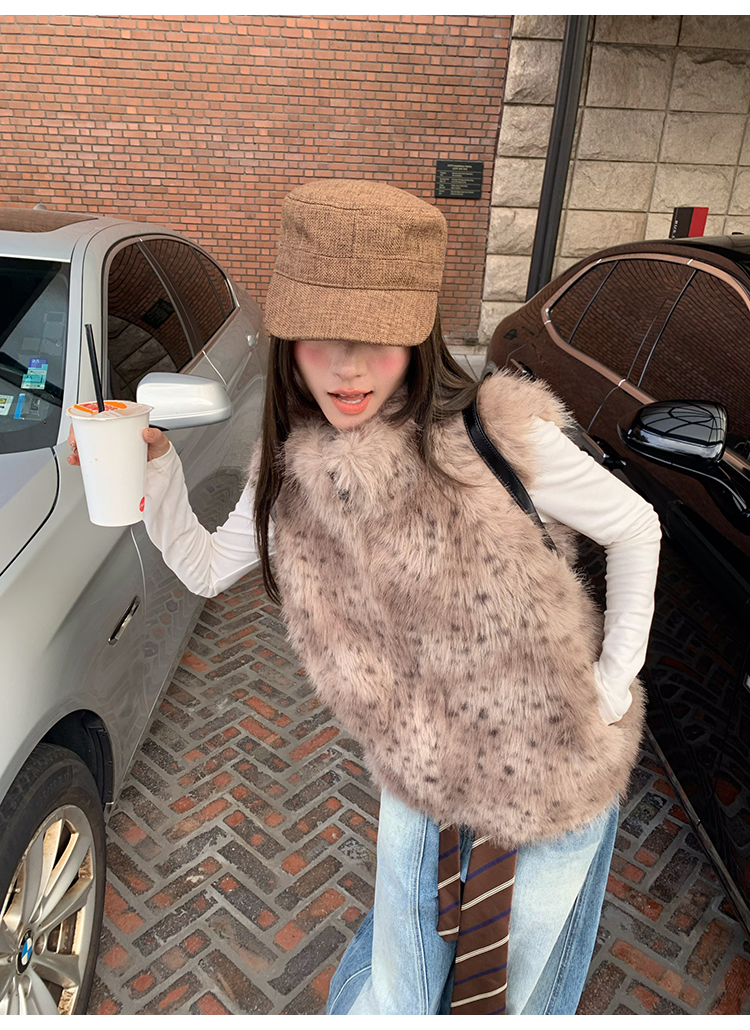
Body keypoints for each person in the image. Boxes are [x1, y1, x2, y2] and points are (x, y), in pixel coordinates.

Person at [68, 179, 661, 1014]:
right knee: (401, 993)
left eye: (376, 341)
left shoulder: (496, 437)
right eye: (320, 340)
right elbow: (204, 569)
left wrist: (609, 685)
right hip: (419, 783)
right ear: (289, 343)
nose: (347, 370)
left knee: (512, 998)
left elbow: (637, 527)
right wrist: (154, 473)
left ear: (417, 339)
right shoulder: (292, 469)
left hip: (554, 778)